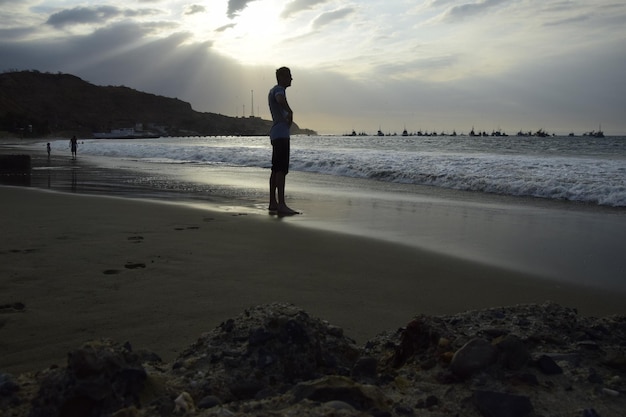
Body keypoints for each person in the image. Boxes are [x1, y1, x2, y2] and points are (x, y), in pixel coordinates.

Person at [268, 66, 299, 215]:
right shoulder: (279, 90)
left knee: (275, 170)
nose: (291, 79)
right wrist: (290, 111)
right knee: (281, 170)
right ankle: (281, 204)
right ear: (282, 77)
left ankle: (273, 202)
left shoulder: (273, 90)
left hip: (275, 133)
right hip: (281, 134)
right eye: (289, 76)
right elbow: (280, 100)